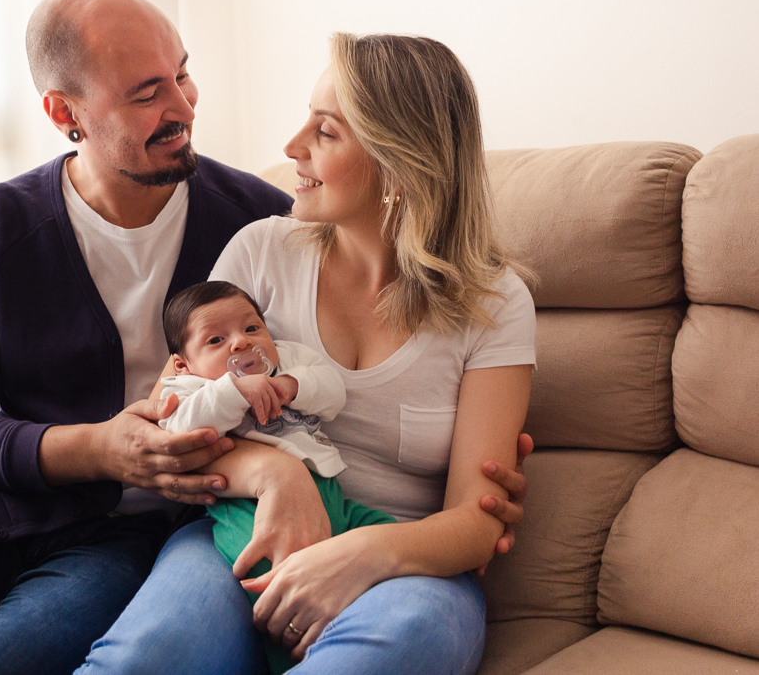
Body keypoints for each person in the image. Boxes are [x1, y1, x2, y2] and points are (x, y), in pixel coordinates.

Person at [0, 0, 529, 675]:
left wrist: (442, 516)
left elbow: (458, 488)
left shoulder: (253, 216)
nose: (183, 107)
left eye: (183, 75)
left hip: (131, 535)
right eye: (147, 93)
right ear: (63, 112)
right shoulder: (9, 226)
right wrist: (110, 449)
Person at [76, 33, 535, 675]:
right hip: (239, 530)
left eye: (325, 131)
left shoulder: (494, 302)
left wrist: (358, 555)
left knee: (405, 639)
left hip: (405, 569)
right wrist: (278, 475)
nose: (292, 147)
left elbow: (478, 521)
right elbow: (174, 426)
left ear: (399, 163)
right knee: (142, 661)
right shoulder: (262, 251)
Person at [159, 279, 396, 675]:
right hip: (249, 512)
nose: (240, 342)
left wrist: (291, 386)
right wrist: (234, 391)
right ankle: (291, 660)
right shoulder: (187, 387)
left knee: (392, 542)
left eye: (252, 328)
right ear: (183, 364)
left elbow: (333, 392)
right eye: (216, 340)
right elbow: (176, 428)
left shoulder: (288, 359)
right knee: (275, 583)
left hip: (331, 496)